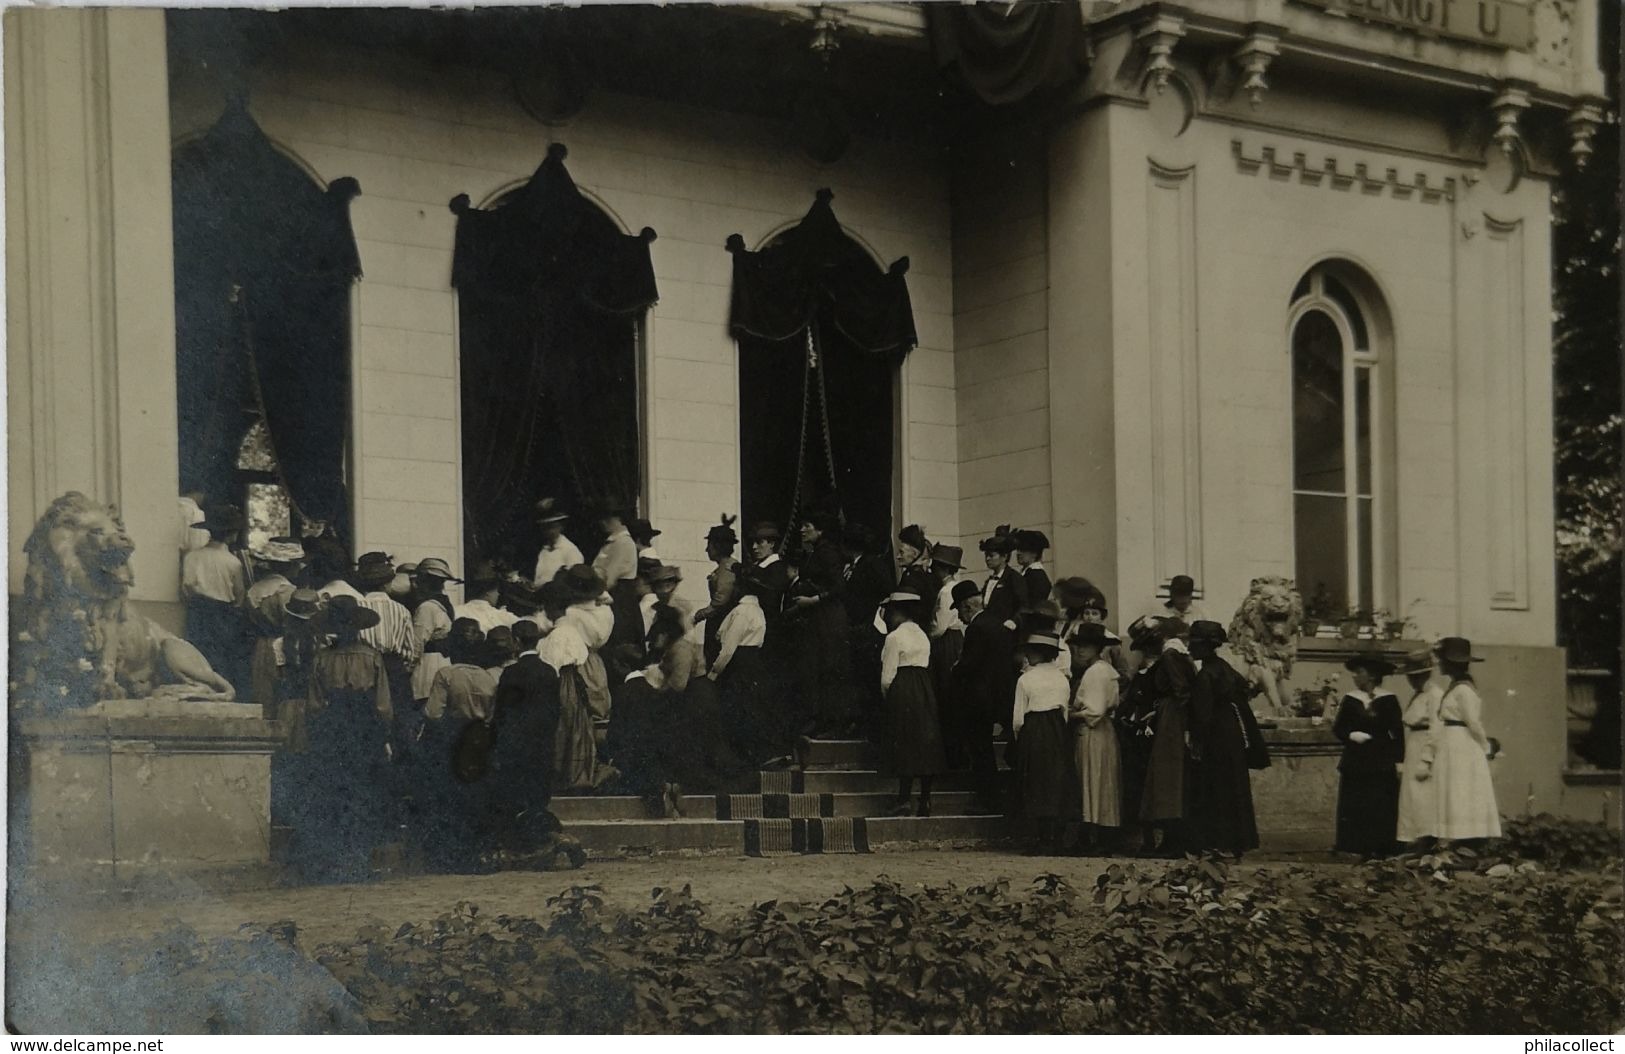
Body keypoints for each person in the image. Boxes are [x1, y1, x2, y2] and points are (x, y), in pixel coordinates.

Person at [296, 595, 393, 881]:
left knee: (334, 791)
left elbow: (313, 704)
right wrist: (384, 734)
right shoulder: (372, 656)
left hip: (333, 726)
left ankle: (335, 860)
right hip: (365, 728)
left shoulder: (322, 658)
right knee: (363, 791)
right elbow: (383, 704)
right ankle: (360, 859)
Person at [490, 619, 584, 869]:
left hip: (515, 747)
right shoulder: (548, 672)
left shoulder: (511, 673)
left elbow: (502, 713)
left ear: (517, 642)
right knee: (537, 800)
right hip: (542, 746)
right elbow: (555, 711)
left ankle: (537, 844)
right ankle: (548, 840)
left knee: (516, 800)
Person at [418, 619, 498, 871]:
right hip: (480, 741)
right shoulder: (488, 678)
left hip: (453, 739)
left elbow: (432, 713)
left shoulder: (446, 675)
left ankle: (450, 855)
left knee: (450, 797)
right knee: (476, 797)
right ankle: (476, 855)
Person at [1185, 620, 1265, 858]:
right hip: (1232, 736)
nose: (1190, 648)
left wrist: (1195, 740)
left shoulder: (1206, 675)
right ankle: (1238, 842)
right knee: (1234, 787)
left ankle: (1218, 842)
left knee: (1215, 788)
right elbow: (1245, 690)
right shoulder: (1224, 668)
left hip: (1216, 738)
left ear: (1205, 647)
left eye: (1194, 644)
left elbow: (1202, 715)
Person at [543, 565, 614, 791]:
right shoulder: (606, 613)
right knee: (597, 714)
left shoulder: (570, 616)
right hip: (596, 661)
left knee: (575, 716)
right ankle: (592, 763)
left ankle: (576, 767)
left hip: (576, 660)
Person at [947, 580, 1014, 813]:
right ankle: (993, 799)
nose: (959, 615)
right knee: (985, 751)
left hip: (978, 701)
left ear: (967, 607)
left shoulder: (977, 628)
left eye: (958, 609)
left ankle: (987, 800)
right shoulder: (996, 623)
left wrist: (956, 667)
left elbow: (970, 664)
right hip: (996, 698)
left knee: (981, 752)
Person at [880, 591, 948, 817]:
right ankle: (925, 798)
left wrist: (889, 695)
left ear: (898, 612)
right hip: (923, 686)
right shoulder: (922, 635)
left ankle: (904, 798)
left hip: (903, 686)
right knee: (924, 740)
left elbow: (887, 676)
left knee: (904, 739)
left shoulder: (894, 637)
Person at [1430, 637, 1502, 842]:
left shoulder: (1464, 690)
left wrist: (1485, 747)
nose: (1440, 664)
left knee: (1462, 789)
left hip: (1462, 745)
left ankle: (1467, 840)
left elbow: (1474, 723)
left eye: (1443, 660)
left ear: (1452, 663)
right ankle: (1453, 839)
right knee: (1453, 790)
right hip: (1452, 744)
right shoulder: (1455, 687)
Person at [1333, 654, 1405, 858]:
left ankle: (1381, 846)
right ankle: (1354, 845)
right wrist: (1350, 735)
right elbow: (1338, 727)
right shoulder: (1350, 699)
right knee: (1356, 801)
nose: (1355, 676)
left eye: (1359, 672)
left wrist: (1399, 760)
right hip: (1355, 760)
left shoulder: (1389, 700)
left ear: (1372, 675)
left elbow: (1397, 732)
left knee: (1379, 802)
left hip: (1381, 760)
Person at [1012, 623, 1073, 854]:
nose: (1027, 655)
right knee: (1056, 780)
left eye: (1031, 651)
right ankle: (1055, 838)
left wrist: (1021, 739)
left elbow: (1018, 718)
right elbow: (1065, 711)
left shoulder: (1025, 680)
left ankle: (1042, 838)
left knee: (1036, 781)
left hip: (1034, 729)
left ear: (1039, 653)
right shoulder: (1061, 679)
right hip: (1057, 729)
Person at [1137, 617, 1197, 856]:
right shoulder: (1180, 656)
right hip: (1170, 714)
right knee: (1169, 776)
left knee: (1167, 777)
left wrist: (1180, 721)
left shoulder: (1170, 655)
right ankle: (1172, 839)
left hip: (1172, 717)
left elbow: (1180, 689)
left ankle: (1172, 841)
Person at [354, 552, 422, 753]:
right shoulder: (400, 610)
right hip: (393, 667)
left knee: (367, 719)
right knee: (399, 720)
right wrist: (403, 668)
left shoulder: (357, 606)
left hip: (363, 665)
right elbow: (411, 651)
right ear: (387, 584)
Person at [795, 513, 854, 738]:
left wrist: (814, 600)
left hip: (829, 618)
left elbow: (839, 586)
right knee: (819, 668)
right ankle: (822, 720)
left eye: (806, 524)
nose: (802, 530)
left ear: (820, 530)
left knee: (830, 667)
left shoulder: (827, 551)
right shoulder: (817, 551)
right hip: (820, 618)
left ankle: (833, 723)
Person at [182, 504, 250, 694]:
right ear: (232, 534)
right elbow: (239, 595)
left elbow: (186, 588)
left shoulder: (192, 557)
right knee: (223, 658)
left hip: (198, 613)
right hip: (224, 615)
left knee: (199, 655)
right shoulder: (233, 562)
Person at [1067, 621, 1121, 854]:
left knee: (1093, 779)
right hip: (1102, 731)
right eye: (1078, 646)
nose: (1080, 650)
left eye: (1086, 646)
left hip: (1093, 731)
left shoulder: (1096, 672)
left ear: (1097, 648)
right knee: (1101, 781)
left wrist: (1073, 714)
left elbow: (1095, 711)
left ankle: (1093, 837)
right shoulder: (1104, 670)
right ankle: (1097, 835)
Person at [711, 567, 772, 763]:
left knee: (738, 709)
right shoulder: (758, 611)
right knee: (750, 708)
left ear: (740, 589)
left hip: (739, 665)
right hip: (754, 663)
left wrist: (713, 674)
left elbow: (728, 649)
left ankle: (741, 756)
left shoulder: (742, 612)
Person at [244, 537, 306, 716]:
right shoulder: (287, 591)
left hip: (259, 646)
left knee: (262, 695)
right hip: (282, 646)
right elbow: (292, 626)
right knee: (283, 697)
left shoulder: (254, 589)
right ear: (290, 566)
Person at [1117, 616, 1164, 853]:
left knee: (1151, 785)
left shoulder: (1162, 670)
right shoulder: (1143, 672)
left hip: (1153, 735)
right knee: (1137, 785)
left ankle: (1154, 838)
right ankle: (1144, 837)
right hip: (1136, 736)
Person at [1395, 646, 1443, 846]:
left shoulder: (1435, 695)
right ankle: (1411, 840)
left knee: (1424, 796)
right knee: (1410, 797)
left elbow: (1436, 729)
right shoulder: (1418, 695)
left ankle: (1426, 841)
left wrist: (1426, 759)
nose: (1411, 680)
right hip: (1414, 745)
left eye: (1415, 676)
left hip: (1425, 746)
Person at [409, 558, 462, 705]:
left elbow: (417, 643)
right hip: (444, 663)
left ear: (424, 582)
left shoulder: (427, 608)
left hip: (428, 666)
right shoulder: (446, 605)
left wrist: (408, 668)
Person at [695, 515, 740, 669]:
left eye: (710, 544)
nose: (707, 549)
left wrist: (697, 616)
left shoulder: (727, 569)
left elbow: (720, 601)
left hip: (722, 624)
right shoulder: (723, 567)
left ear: (718, 546)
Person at [978, 526, 1027, 632]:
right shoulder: (989, 582)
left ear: (1004, 557)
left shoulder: (1014, 578)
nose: (987, 559)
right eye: (986, 555)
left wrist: (1014, 621)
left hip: (1007, 632)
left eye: (991, 555)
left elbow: (1024, 605)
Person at [531, 498, 584, 589]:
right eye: (544, 527)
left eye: (551, 527)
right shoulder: (544, 548)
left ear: (561, 526)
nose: (547, 531)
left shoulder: (570, 551)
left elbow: (573, 585)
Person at [746, 522, 790, 627]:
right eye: (753, 543)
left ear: (772, 544)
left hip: (766, 625)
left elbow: (771, 603)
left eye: (759, 542)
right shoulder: (757, 566)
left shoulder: (777, 568)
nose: (754, 547)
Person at [457, 561, 519, 635]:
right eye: (496, 592)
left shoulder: (456, 610)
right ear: (488, 593)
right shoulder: (501, 616)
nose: (498, 595)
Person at [928, 546, 967, 640]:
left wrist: (929, 637)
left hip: (948, 638)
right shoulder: (955, 587)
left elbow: (941, 627)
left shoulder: (946, 591)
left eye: (935, 567)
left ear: (945, 569)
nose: (932, 570)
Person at [1013, 529, 1053, 612]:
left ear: (1035, 553)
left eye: (1023, 549)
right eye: (1017, 549)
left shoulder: (1037, 576)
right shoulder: (1026, 573)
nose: (1018, 553)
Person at [895, 524, 936, 598]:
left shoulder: (912, 577)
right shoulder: (926, 575)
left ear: (914, 554)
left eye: (902, 552)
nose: (898, 556)